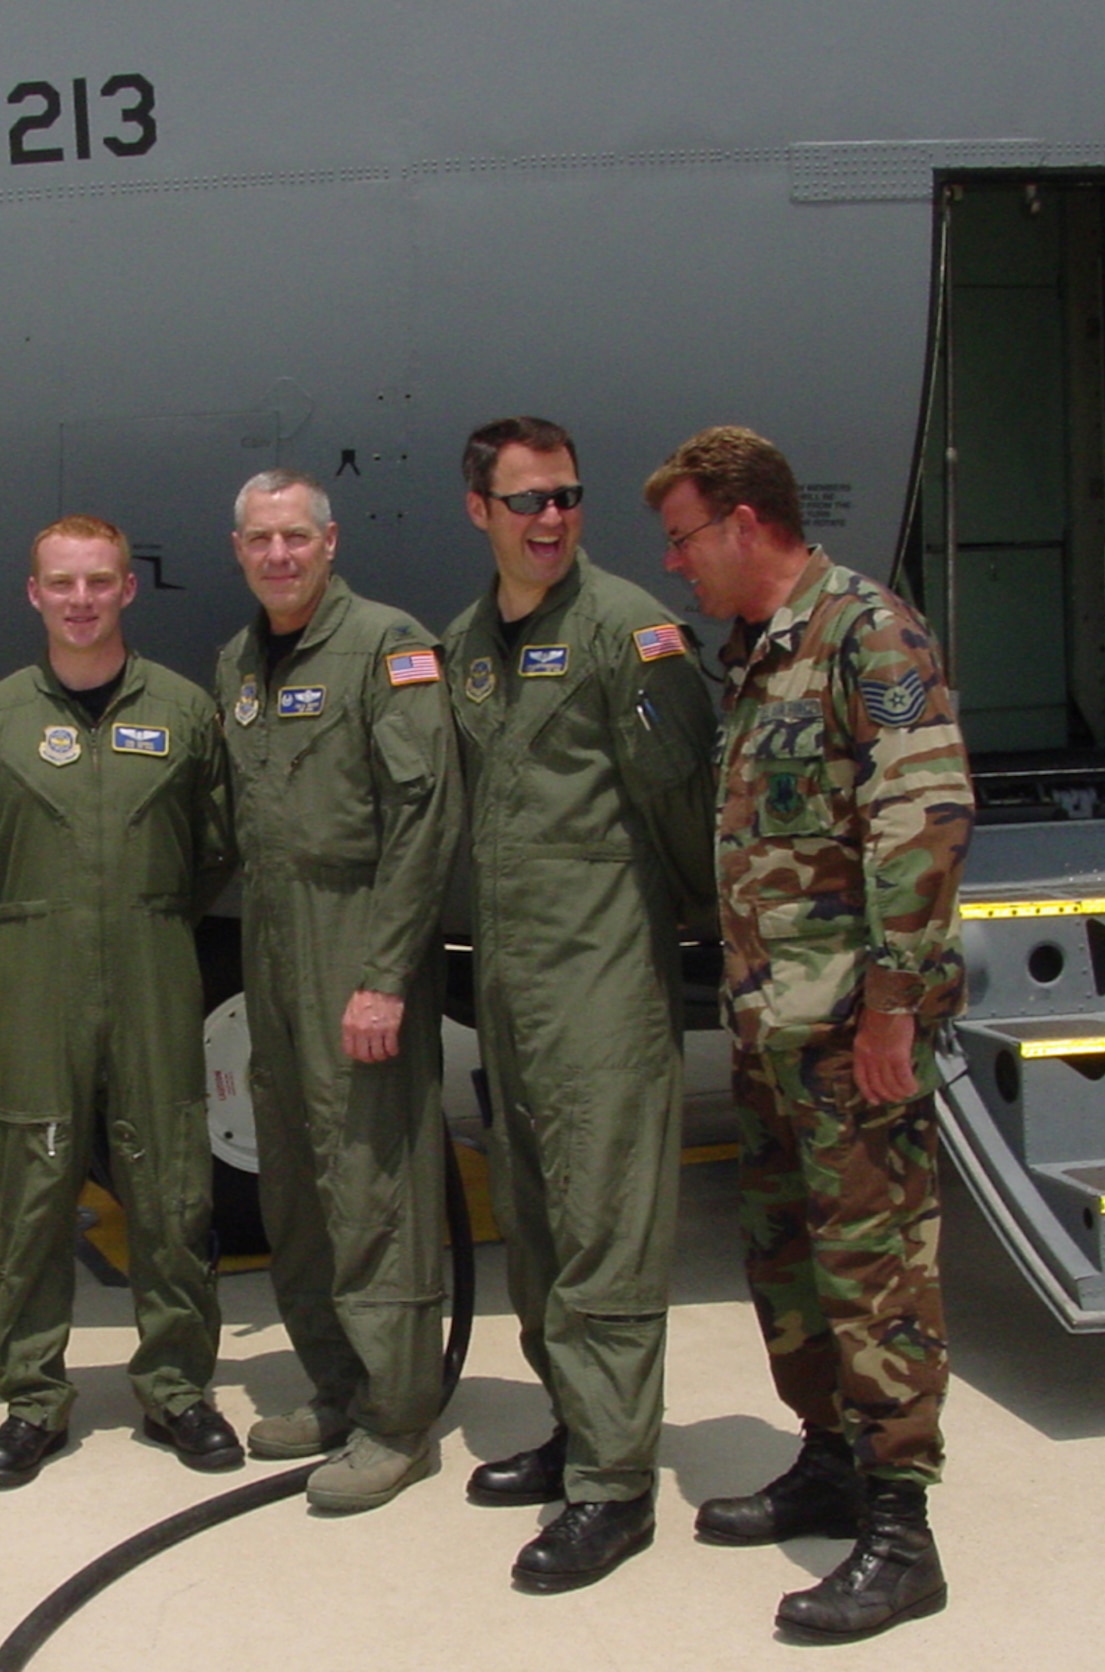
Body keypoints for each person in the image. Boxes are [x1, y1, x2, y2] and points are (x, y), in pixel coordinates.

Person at [646, 425, 971, 1642]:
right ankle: (827, 1457)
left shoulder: (864, 633)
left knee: (876, 1273)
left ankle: (900, 1530)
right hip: (771, 1027)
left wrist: (892, 1003)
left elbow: (923, 816)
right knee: (787, 1264)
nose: (676, 563)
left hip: (849, 1034)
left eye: (683, 538)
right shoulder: (753, 656)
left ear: (741, 523)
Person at [446, 417, 716, 1590]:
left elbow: (679, 805)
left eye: (564, 497)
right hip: (512, 985)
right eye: (525, 502)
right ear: (480, 512)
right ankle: (574, 1428)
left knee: (605, 1230)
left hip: (603, 978)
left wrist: (686, 936)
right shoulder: (466, 642)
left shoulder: (628, 633)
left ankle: (613, 1488)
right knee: (539, 1227)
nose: (549, 520)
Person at [0, 515, 238, 1487]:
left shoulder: (186, 715)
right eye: (60, 583)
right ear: (33, 594)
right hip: (37, 984)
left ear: (126, 590)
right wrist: (34, 930)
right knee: (32, 1191)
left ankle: (178, 1388)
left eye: (97, 581)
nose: (79, 599)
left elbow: (213, 849)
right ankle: (30, 1395)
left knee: (173, 1191)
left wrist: (144, 921)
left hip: (155, 974)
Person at [215, 469, 459, 1513]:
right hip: (270, 940)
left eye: (295, 537)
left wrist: (385, 975)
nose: (278, 555)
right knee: (296, 1181)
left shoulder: (385, 646)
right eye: (260, 539)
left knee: (371, 1183)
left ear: (329, 542)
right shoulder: (237, 659)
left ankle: (397, 1417)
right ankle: (335, 1383)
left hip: (354, 936)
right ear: (238, 550)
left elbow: (424, 818)